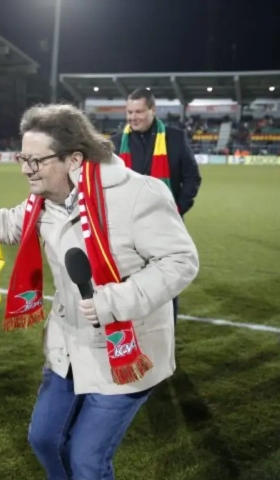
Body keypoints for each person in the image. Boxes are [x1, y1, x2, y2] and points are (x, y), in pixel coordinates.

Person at [0, 103, 199, 480]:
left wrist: (115, 301)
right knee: (43, 438)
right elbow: (8, 222)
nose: (25, 169)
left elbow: (181, 262)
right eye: (24, 158)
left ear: (74, 159)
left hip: (124, 349)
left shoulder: (139, 194)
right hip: (68, 347)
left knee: (87, 460)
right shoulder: (46, 200)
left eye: (35, 161)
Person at [111, 87, 202, 323]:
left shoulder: (174, 138)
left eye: (139, 111)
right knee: (127, 279)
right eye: (129, 112)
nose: (133, 117)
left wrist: (177, 209)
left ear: (153, 110)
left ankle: (166, 331)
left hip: (165, 224)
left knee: (166, 281)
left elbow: (192, 177)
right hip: (126, 227)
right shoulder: (116, 142)